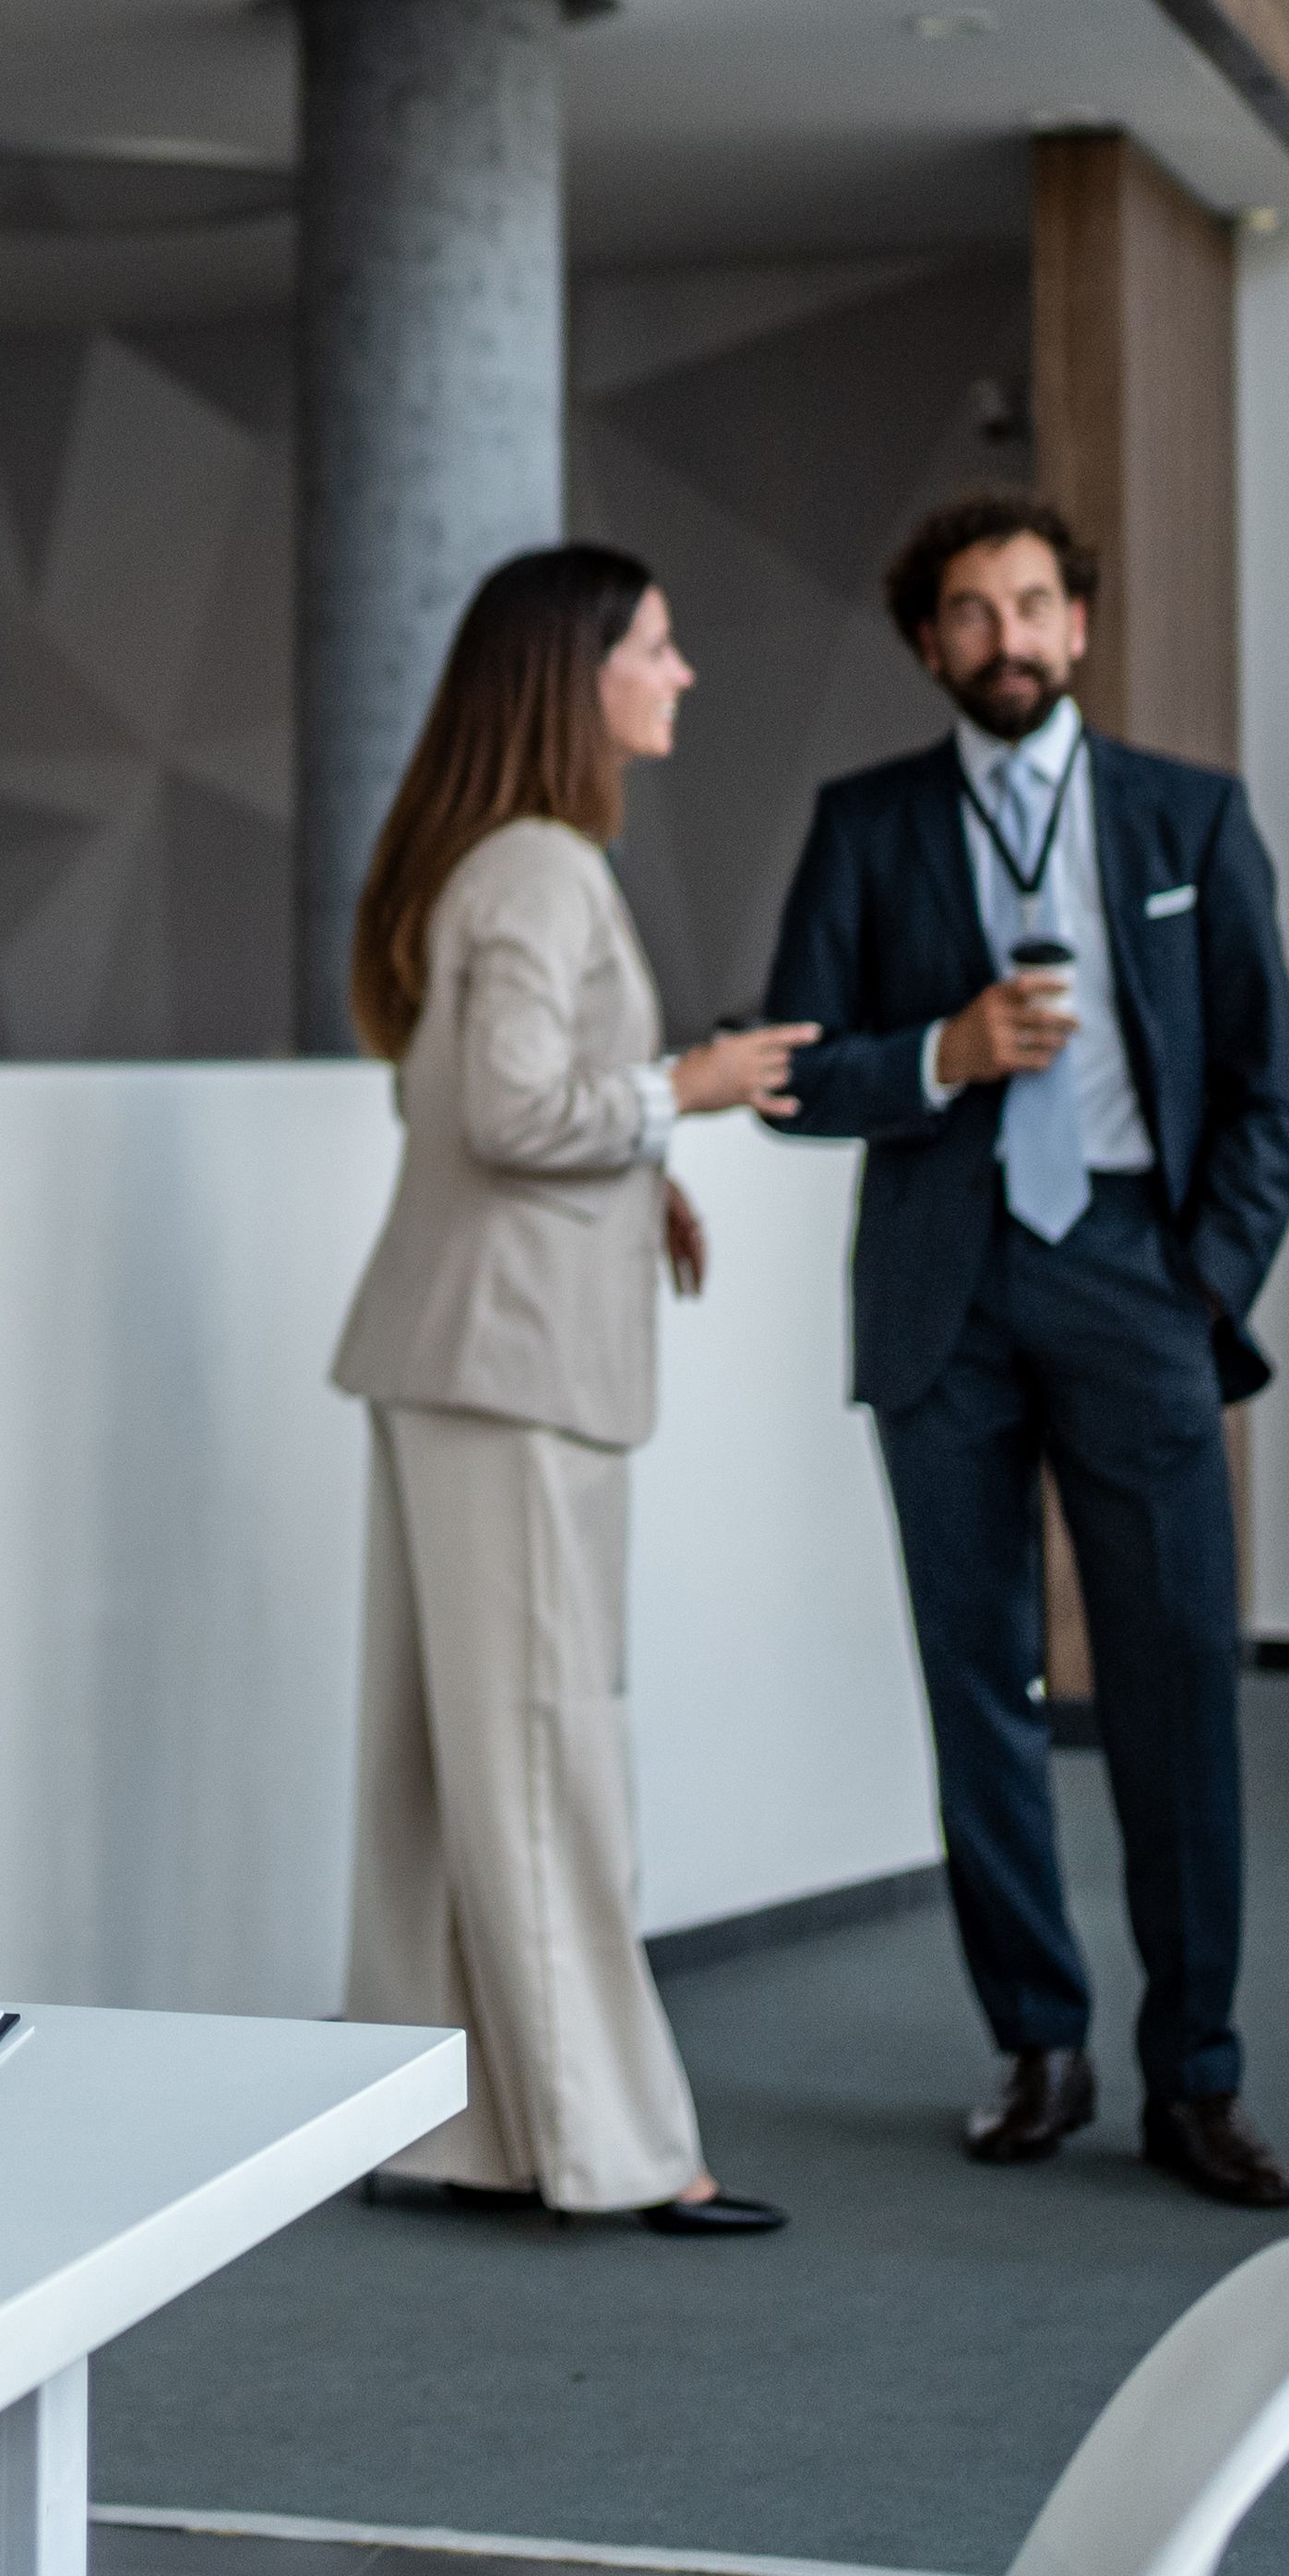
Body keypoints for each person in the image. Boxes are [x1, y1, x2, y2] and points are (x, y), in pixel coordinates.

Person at [760, 494, 1289, 2209]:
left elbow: (1267, 1093)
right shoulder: (865, 825)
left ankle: (1196, 2076)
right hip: (946, 1296)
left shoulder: (1187, 816)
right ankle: (1038, 2043)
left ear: (1079, 625)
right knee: (978, 1685)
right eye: (969, 614)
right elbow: (791, 1067)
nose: (1005, 638)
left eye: (1031, 606)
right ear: (930, 645)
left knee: (1175, 1688)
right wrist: (944, 1050)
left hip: (1138, 1281)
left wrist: (1201, 1286)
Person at [330, 544, 817, 2235]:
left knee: (447, 1767)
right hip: (512, 1369)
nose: (680, 676)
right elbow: (511, 1113)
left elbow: (483, 1116)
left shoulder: (498, 860)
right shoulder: (539, 866)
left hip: (464, 1352)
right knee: (546, 1762)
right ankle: (615, 2152)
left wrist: (646, 1163)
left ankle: (443, 2128)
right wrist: (695, 1089)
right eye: (659, 649)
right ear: (578, 677)